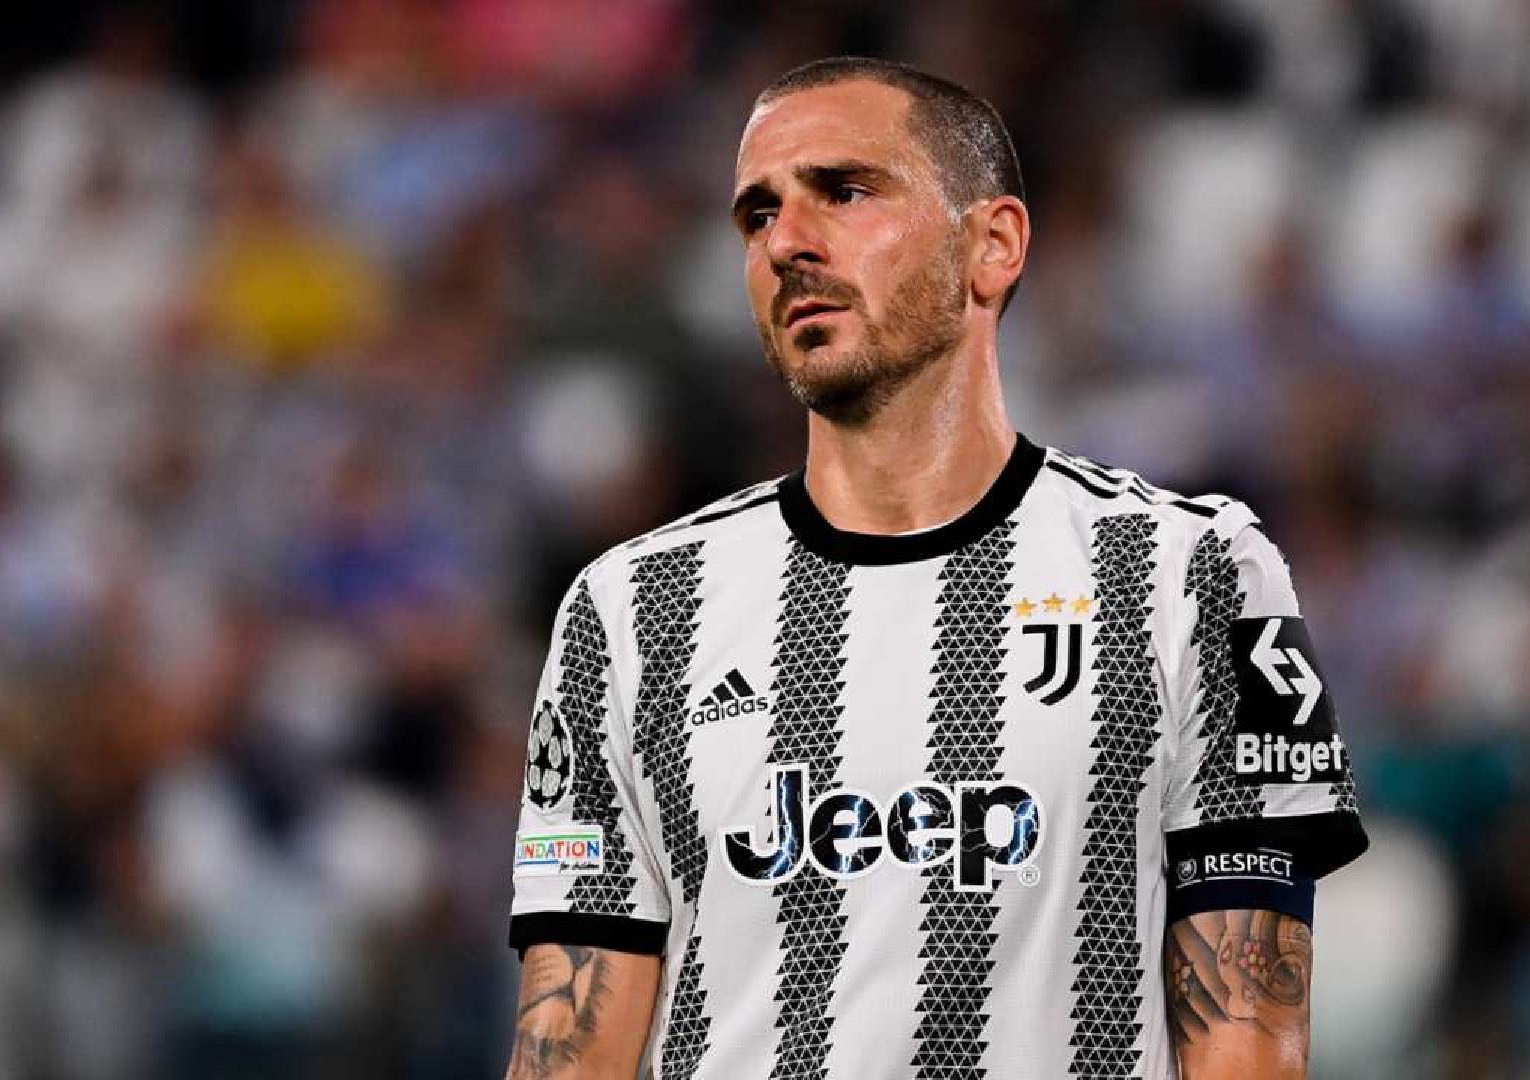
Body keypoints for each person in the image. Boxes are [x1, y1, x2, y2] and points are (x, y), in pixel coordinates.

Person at [502, 56, 1368, 1079]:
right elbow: (569, 1050)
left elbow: (1249, 1042)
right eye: (758, 214)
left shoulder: (1191, 576)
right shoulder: (634, 610)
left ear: (993, 245)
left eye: (845, 191)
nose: (786, 241)